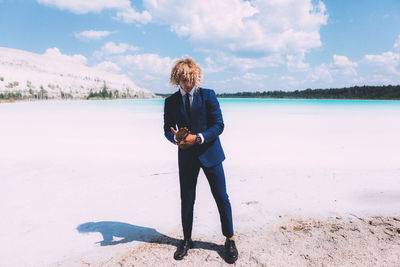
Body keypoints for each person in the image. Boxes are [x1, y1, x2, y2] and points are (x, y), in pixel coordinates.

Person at [163, 58, 238, 263]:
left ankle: (230, 240)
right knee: (187, 199)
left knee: (221, 197)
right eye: (183, 79)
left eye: (191, 78)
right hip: (186, 156)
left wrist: (198, 138)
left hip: (211, 154)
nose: (188, 83)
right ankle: (186, 240)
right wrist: (176, 138)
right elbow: (167, 129)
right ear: (177, 78)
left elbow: (219, 125)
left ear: (196, 76)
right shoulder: (170, 102)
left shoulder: (208, 95)